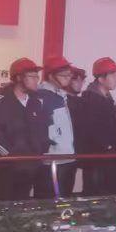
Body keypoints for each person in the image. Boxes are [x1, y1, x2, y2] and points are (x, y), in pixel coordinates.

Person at [0, 57, 49, 201]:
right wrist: (10, 155)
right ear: (18, 78)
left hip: (30, 166)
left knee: (23, 204)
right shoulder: (1, 101)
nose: (36, 80)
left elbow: (42, 131)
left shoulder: (36, 102)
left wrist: (39, 152)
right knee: (1, 205)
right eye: (32, 76)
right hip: (6, 167)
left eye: (37, 76)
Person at [73, 58, 116, 195]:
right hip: (95, 158)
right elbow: (89, 131)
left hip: (106, 157)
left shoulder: (107, 98)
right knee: (94, 194)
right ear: (100, 78)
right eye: (113, 75)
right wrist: (107, 145)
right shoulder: (90, 100)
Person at [36, 56, 77, 197]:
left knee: (64, 198)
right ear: (51, 76)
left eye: (69, 75)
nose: (68, 78)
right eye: (63, 75)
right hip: (52, 159)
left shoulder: (60, 95)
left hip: (66, 156)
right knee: (51, 199)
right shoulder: (42, 96)